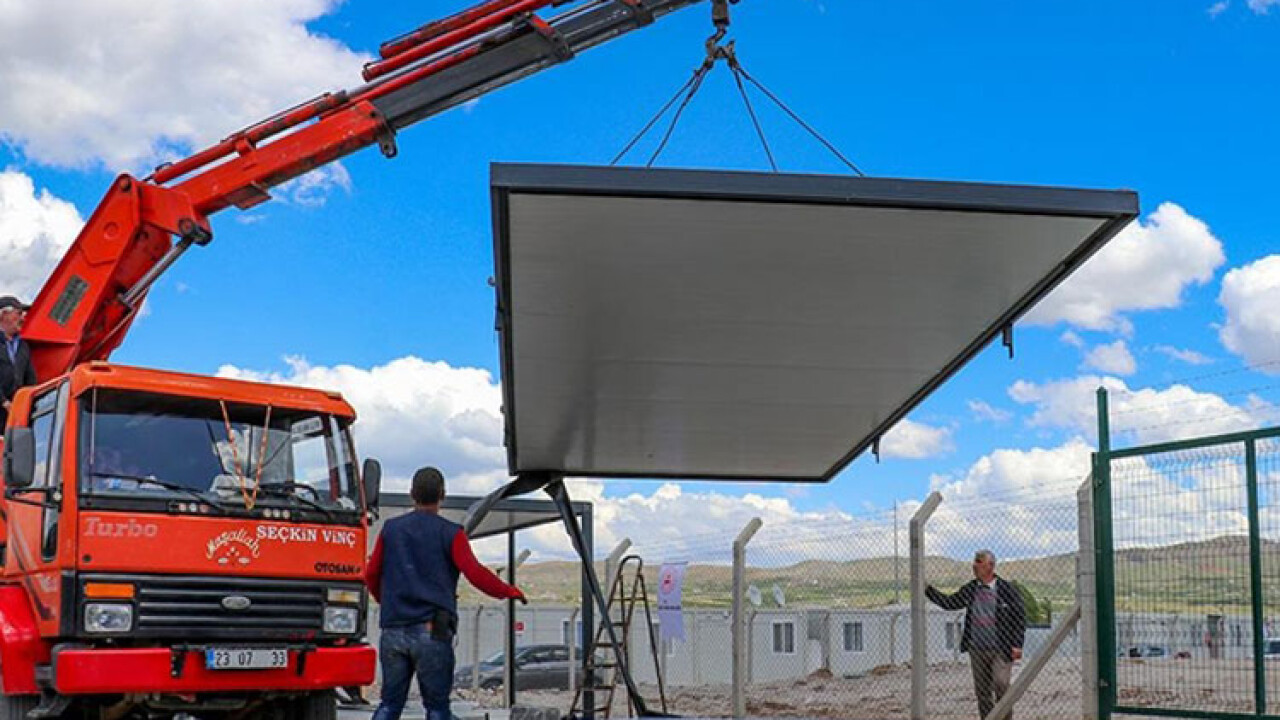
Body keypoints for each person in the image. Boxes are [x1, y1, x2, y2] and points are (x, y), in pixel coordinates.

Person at [365, 467, 527, 720]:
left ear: (411, 494)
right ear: (443, 495)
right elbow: (474, 572)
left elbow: (371, 573)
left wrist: (385, 602)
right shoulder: (451, 533)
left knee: (389, 706)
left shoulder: (391, 530)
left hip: (393, 628)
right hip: (432, 630)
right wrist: (508, 591)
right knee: (437, 709)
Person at [925, 549, 1026, 720]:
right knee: (982, 692)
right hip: (977, 649)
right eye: (974, 561)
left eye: (979, 561)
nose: (974, 565)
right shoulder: (971, 588)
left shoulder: (1007, 590)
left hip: (1001, 649)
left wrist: (1017, 644)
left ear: (990, 566)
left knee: (1002, 684)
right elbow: (950, 603)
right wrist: (928, 590)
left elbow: (1019, 618)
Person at [0, 296, 36, 428]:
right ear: (4, 315)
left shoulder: (23, 346)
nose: (23, 318)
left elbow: (30, 380)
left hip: (14, 416)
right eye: (19, 313)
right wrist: (4, 402)